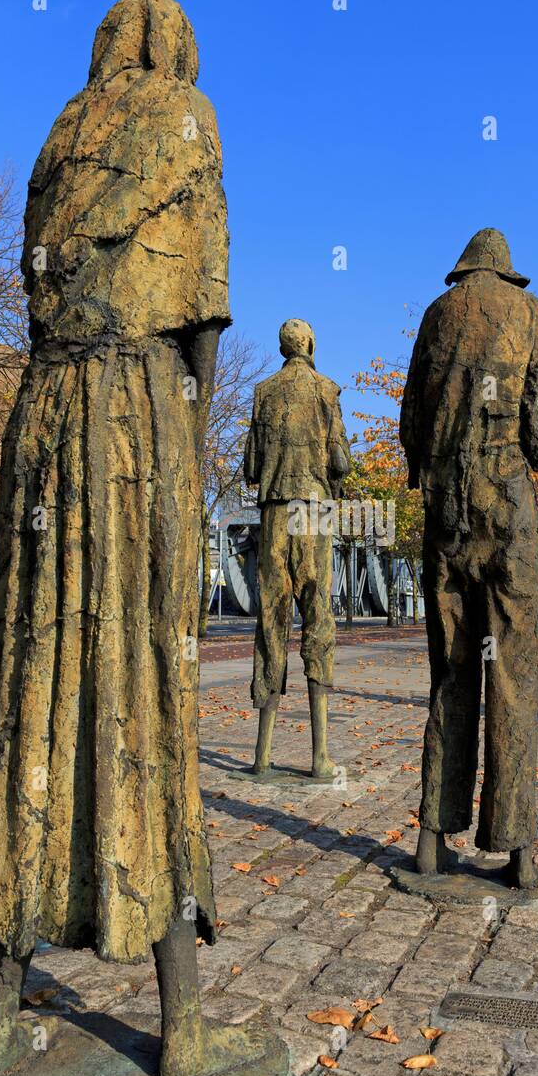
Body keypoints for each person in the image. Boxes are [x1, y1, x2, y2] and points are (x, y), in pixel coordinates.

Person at [0, 0, 233, 1076]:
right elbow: (203, 320)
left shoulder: (55, 137)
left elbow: (36, 303)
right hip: (133, 418)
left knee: (36, 683)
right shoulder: (187, 117)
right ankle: (181, 1023)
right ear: (173, 48)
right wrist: (187, 460)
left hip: (44, 418)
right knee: (146, 687)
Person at [400, 228, 538, 888]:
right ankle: (517, 850)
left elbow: (411, 411)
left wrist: (426, 470)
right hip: (507, 508)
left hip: (447, 512)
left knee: (452, 672)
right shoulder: (527, 310)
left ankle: (433, 842)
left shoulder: (438, 313)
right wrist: (535, 456)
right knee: (513, 676)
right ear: (507, 268)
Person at [245, 319, 351, 779]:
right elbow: (339, 460)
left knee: (271, 617)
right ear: (310, 343)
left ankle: (262, 754)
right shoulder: (327, 390)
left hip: (273, 510)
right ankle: (319, 755)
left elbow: (251, 465)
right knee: (318, 615)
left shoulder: (263, 391)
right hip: (315, 508)